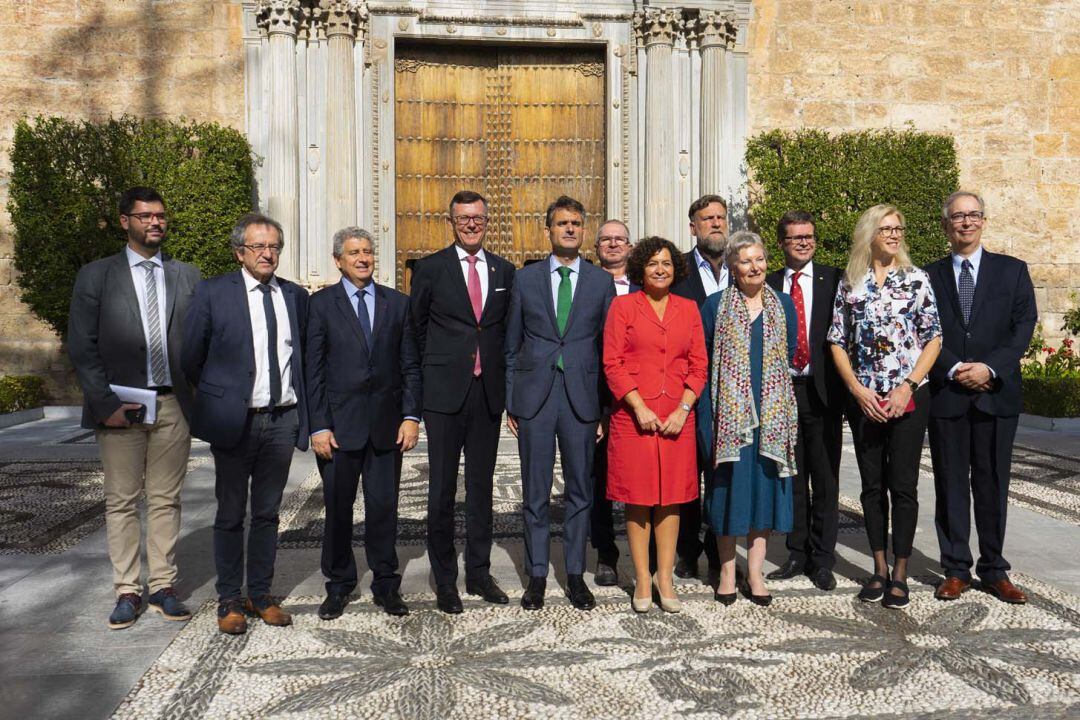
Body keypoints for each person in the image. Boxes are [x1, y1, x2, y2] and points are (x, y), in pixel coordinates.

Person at [68, 186, 201, 630]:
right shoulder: (97, 276)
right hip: (120, 405)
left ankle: (163, 584)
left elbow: (202, 341)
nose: (155, 223)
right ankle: (127, 588)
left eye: (160, 215)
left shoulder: (187, 276)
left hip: (172, 404)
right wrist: (103, 402)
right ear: (125, 221)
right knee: (121, 500)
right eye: (145, 216)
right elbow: (82, 346)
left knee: (167, 499)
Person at [182, 212, 309, 634]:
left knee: (269, 513)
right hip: (235, 423)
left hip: (281, 421)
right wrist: (224, 398)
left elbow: (303, 360)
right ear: (240, 252)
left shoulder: (295, 296)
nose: (267, 254)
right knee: (231, 513)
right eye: (258, 246)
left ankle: (260, 593)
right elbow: (191, 358)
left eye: (273, 246)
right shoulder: (213, 293)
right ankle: (229, 599)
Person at [828, 204, 942, 609]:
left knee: (904, 487)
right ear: (869, 234)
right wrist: (858, 391)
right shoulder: (851, 282)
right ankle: (878, 568)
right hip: (865, 399)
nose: (894, 234)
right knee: (872, 487)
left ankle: (900, 573)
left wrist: (907, 387)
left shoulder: (916, 280)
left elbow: (933, 339)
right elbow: (837, 341)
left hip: (908, 397)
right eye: (886, 228)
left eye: (898, 228)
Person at [505, 196, 616, 611]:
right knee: (535, 493)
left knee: (580, 491)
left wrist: (605, 408)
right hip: (535, 399)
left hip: (582, 401)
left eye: (576, 223)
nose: (569, 229)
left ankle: (574, 574)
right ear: (548, 230)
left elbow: (609, 350)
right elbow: (511, 344)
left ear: (583, 230)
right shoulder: (526, 279)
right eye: (562, 223)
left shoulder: (600, 282)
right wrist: (511, 401)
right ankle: (536, 575)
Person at [925, 191, 1036, 604]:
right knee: (951, 484)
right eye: (958, 216)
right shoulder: (928, 276)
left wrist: (988, 368)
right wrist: (955, 368)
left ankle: (994, 569)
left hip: (996, 395)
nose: (966, 223)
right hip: (949, 395)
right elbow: (924, 329)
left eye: (973, 215)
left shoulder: (1012, 272)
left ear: (983, 221)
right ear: (946, 225)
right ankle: (955, 568)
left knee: (992, 483)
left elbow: (1023, 327)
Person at [306, 227, 422, 619]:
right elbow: (314, 371)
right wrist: (318, 425)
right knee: (338, 510)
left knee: (384, 507)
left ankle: (386, 584)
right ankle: (338, 584)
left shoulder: (397, 304)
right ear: (338, 259)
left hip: (387, 428)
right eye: (354, 252)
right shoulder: (320, 305)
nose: (363, 258)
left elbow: (410, 365)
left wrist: (410, 417)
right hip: (339, 430)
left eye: (368, 252)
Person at [410, 189, 516, 614]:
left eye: (478, 218)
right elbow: (415, 332)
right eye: (463, 218)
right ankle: (446, 580)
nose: (471, 224)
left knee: (481, 489)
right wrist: (416, 399)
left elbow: (507, 335)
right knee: (440, 490)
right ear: (451, 221)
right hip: (443, 394)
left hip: (487, 393)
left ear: (486, 221)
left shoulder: (503, 270)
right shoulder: (431, 269)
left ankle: (478, 571)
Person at [604, 237, 708, 613]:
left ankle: (666, 578)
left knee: (671, 499)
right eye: (652, 264)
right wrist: (638, 406)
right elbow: (612, 362)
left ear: (675, 268)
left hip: (677, 416)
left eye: (666, 262)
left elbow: (699, 365)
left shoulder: (688, 308)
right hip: (634, 418)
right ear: (640, 270)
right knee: (639, 498)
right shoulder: (623, 307)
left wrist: (683, 408)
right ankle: (643, 577)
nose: (660, 269)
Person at [701, 231, 798, 607]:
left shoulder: (784, 305)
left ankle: (755, 571)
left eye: (759, 259)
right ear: (732, 267)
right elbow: (705, 362)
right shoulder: (713, 306)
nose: (754, 267)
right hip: (730, 422)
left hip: (772, 420)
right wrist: (708, 422)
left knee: (764, 495)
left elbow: (787, 354)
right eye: (745, 261)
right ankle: (727, 570)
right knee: (729, 494)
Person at [765, 212, 845, 591]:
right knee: (792, 477)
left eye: (808, 236)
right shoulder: (768, 283)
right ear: (781, 243)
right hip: (784, 392)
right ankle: (796, 553)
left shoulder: (835, 280)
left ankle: (823, 559)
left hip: (823, 390)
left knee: (825, 478)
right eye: (795, 237)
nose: (803, 242)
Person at [671, 194, 729, 579]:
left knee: (724, 473)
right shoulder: (677, 271)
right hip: (688, 386)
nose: (715, 224)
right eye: (707, 219)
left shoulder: (742, 268)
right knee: (688, 472)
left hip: (732, 387)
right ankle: (687, 551)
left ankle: (720, 554)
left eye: (721, 218)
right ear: (693, 227)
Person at [590, 220, 637, 586]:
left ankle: (650, 556)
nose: (613, 244)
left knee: (646, 479)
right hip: (599, 397)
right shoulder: (586, 286)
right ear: (597, 248)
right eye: (606, 239)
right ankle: (606, 554)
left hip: (645, 396)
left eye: (619, 239)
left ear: (630, 246)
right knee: (599, 481)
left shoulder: (647, 287)